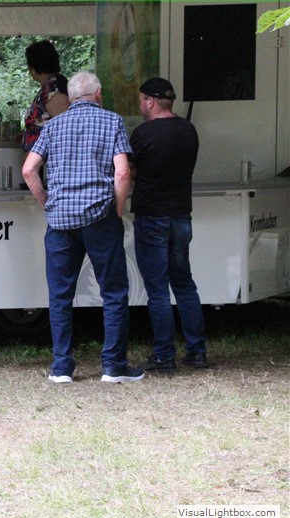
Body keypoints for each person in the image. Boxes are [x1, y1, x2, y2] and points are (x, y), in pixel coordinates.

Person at [22, 71, 144, 384]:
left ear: (72, 97)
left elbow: (29, 170)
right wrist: (117, 210)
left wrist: (48, 204)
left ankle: (62, 367)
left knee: (60, 295)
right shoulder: (112, 121)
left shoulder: (53, 126)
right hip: (100, 217)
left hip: (60, 222)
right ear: (98, 94)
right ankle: (113, 366)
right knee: (113, 292)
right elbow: (122, 173)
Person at [130, 77, 209, 371]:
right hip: (181, 216)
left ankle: (164, 355)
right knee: (184, 284)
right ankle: (197, 351)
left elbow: (130, 171)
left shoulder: (143, 134)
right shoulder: (189, 130)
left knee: (158, 289)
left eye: (141, 101)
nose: (140, 106)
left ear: (151, 101)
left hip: (152, 216)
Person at [22, 40, 70, 152]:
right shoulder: (49, 87)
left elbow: (65, 128)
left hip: (48, 158)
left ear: (33, 67)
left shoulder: (55, 89)